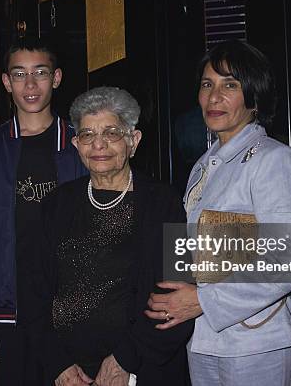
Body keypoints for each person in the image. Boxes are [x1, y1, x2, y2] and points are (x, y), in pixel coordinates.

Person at [146, 40, 291, 386]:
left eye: (229, 85)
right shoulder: (204, 166)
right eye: (207, 84)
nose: (213, 97)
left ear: (254, 97)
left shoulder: (272, 159)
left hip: (257, 340)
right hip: (205, 339)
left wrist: (203, 301)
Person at [39, 87, 193, 386]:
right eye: (87, 135)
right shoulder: (56, 204)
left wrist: (126, 359)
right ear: (76, 144)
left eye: (111, 132)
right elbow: (33, 291)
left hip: (141, 368)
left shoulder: (163, 203)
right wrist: (57, 364)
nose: (98, 144)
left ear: (133, 141)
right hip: (68, 372)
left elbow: (175, 293)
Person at [0, 38, 88, 385]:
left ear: (57, 78)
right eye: (20, 74)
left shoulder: (81, 145)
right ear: (6, 82)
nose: (30, 85)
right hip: (9, 311)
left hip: (70, 311)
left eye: (40, 73)